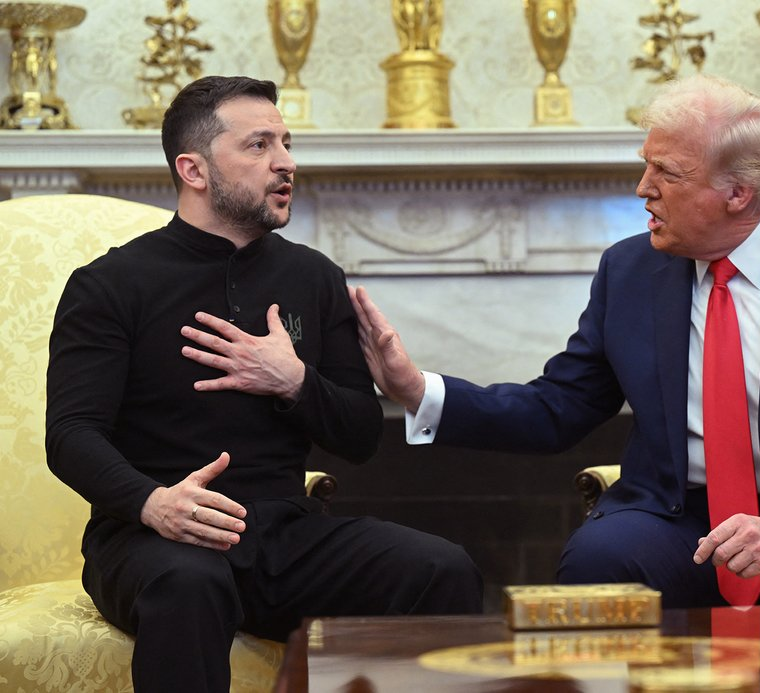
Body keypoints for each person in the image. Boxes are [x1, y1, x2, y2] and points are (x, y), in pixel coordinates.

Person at [348, 74, 760, 651]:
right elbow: (558, 406)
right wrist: (416, 389)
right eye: (644, 166)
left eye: (665, 172)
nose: (642, 189)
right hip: (682, 518)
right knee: (600, 560)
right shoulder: (630, 270)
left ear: (737, 192)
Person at [45, 75, 483, 693]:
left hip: (282, 533)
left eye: (286, 143)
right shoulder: (110, 284)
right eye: (258, 146)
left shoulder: (313, 277)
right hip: (152, 537)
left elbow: (360, 435)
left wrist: (295, 381)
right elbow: (69, 435)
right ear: (194, 170)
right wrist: (153, 503)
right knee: (188, 582)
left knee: (441, 567)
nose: (286, 163)